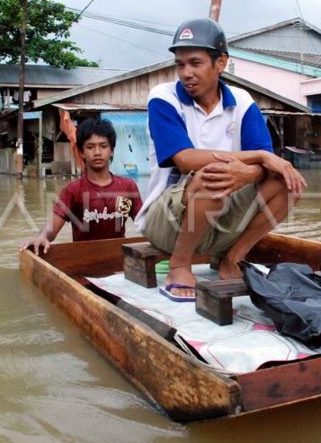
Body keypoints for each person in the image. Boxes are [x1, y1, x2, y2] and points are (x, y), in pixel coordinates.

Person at [136, 17, 306, 302]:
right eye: (180, 64)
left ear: (221, 63)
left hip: (219, 221)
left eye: (195, 63)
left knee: (288, 182)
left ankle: (232, 259)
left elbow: (267, 168)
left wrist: (250, 173)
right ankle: (179, 265)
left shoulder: (242, 101)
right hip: (167, 223)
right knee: (212, 175)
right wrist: (260, 157)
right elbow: (186, 159)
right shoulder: (163, 97)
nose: (186, 73)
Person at [20, 118, 142, 255]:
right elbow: (52, 227)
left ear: (112, 150)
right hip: (83, 260)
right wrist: (41, 237)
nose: (97, 152)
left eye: (103, 146)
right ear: (82, 152)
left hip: (119, 259)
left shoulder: (128, 187)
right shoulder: (73, 190)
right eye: (90, 147)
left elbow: (146, 224)